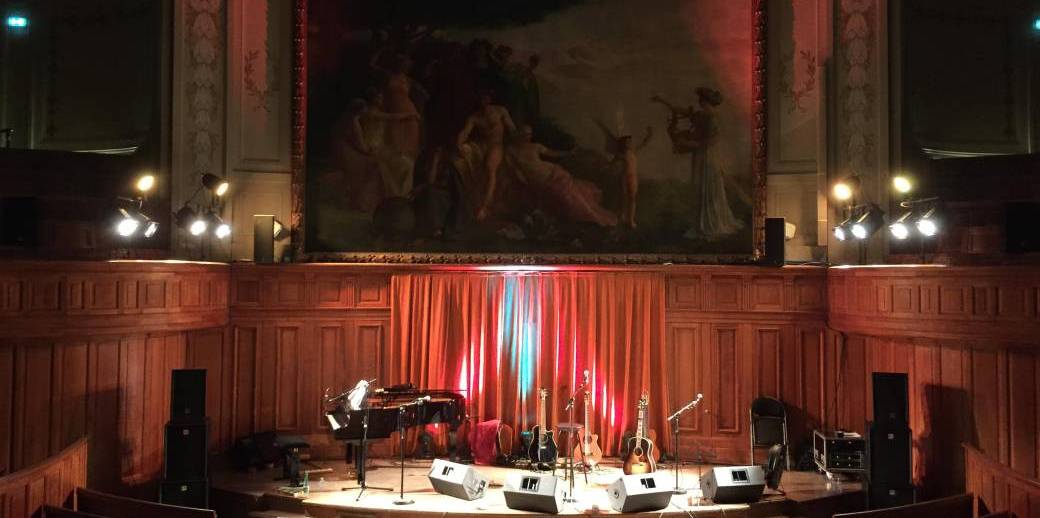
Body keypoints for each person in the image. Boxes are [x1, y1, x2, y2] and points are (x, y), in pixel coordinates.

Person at [657, 87, 744, 240]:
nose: (699, 102)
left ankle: (712, 222)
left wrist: (689, 144)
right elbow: (682, 111)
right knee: (700, 186)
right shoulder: (701, 115)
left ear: (705, 101)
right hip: (701, 155)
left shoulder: (712, 118)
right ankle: (702, 222)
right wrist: (663, 101)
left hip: (708, 156)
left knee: (709, 186)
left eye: (701, 99)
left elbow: (711, 142)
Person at [506, 125, 617, 227]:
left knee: (571, 195)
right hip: (535, 179)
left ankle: (590, 216)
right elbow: (513, 169)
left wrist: (569, 153)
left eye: (529, 134)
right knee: (558, 199)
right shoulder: (511, 150)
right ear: (518, 134)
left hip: (551, 172)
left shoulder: (535, 146)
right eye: (524, 134)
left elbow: (552, 153)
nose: (527, 137)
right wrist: (523, 179)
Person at [456, 91, 517, 221]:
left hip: (496, 145)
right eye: (480, 98)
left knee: (491, 169)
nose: (483, 101)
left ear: (489, 99)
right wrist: (459, 143)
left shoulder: (500, 111)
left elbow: (511, 128)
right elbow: (465, 132)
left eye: (485, 98)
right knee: (464, 154)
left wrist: (516, 138)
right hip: (482, 145)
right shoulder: (474, 117)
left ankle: (485, 206)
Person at [596, 121, 653, 228]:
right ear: (623, 143)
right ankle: (621, 216)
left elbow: (644, 143)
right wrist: (605, 166)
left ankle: (630, 220)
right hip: (624, 177)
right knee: (623, 197)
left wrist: (649, 134)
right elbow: (611, 162)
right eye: (627, 141)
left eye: (630, 141)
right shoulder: (620, 154)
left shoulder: (633, 151)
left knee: (632, 198)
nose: (630, 143)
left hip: (633, 177)